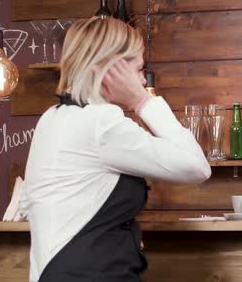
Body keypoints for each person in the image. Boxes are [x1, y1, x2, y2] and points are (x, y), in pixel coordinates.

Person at [19, 17, 211, 281]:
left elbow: (67, 206)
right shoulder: (100, 123)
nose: (143, 80)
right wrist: (143, 102)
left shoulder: (53, 117)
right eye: (139, 69)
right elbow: (196, 167)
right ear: (111, 68)